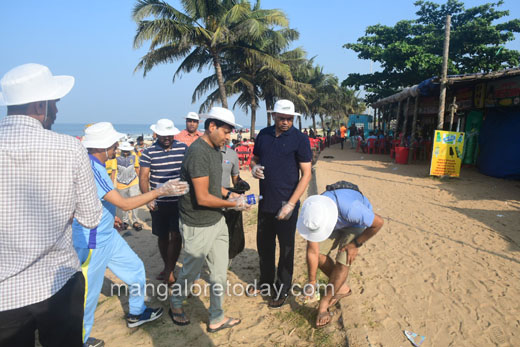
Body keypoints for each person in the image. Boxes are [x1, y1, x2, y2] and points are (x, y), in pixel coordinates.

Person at [0, 63, 102, 347]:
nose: (57, 111)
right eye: (55, 103)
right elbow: (91, 218)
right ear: (40, 104)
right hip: (56, 283)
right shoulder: (70, 148)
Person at [75, 122, 189, 347]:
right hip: (93, 239)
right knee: (89, 292)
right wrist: (161, 190)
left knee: (135, 268)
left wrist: (111, 215)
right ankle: (79, 339)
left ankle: (137, 313)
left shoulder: (96, 164)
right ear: (104, 146)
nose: (117, 146)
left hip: (107, 232)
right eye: (113, 143)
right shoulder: (91, 167)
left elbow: (99, 199)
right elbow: (125, 204)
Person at [169, 107, 250, 332]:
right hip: (197, 223)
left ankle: (216, 317)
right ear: (211, 127)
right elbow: (203, 197)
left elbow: (214, 188)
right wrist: (234, 204)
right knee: (190, 272)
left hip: (217, 221)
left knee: (219, 272)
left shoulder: (216, 150)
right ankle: (175, 304)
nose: (228, 137)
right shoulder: (198, 153)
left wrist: (230, 194)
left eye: (230, 133)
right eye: (225, 132)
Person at [249, 99, 312, 308]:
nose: (285, 122)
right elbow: (254, 159)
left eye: (289, 118)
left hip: (287, 202)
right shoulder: (264, 135)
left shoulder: (300, 139)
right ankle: (265, 281)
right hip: (265, 200)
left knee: (286, 248)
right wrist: (254, 168)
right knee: (264, 246)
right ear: (274, 116)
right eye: (282, 117)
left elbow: (306, 175)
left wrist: (291, 204)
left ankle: (283, 287)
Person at [296, 181, 384, 328]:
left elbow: (379, 223)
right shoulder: (312, 213)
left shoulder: (353, 210)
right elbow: (312, 251)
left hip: (354, 224)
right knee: (319, 255)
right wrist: (312, 282)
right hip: (335, 218)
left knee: (344, 259)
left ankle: (324, 305)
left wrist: (356, 244)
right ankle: (341, 287)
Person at [139, 119, 187, 287]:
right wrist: (148, 197)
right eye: (163, 135)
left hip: (179, 201)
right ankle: (168, 267)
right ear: (156, 134)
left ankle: (169, 270)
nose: (167, 138)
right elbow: (144, 177)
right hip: (158, 202)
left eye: (169, 134)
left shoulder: (183, 148)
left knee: (176, 235)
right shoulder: (148, 152)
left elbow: (189, 170)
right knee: (162, 236)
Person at [115, 141, 143, 231]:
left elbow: (137, 168)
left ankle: (135, 221)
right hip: (121, 183)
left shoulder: (134, 156)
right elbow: (113, 171)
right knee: (124, 203)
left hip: (133, 181)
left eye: (127, 151)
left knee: (135, 202)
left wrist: (141, 179)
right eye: (124, 150)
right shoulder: (116, 157)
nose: (126, 152)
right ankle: (125, 221)